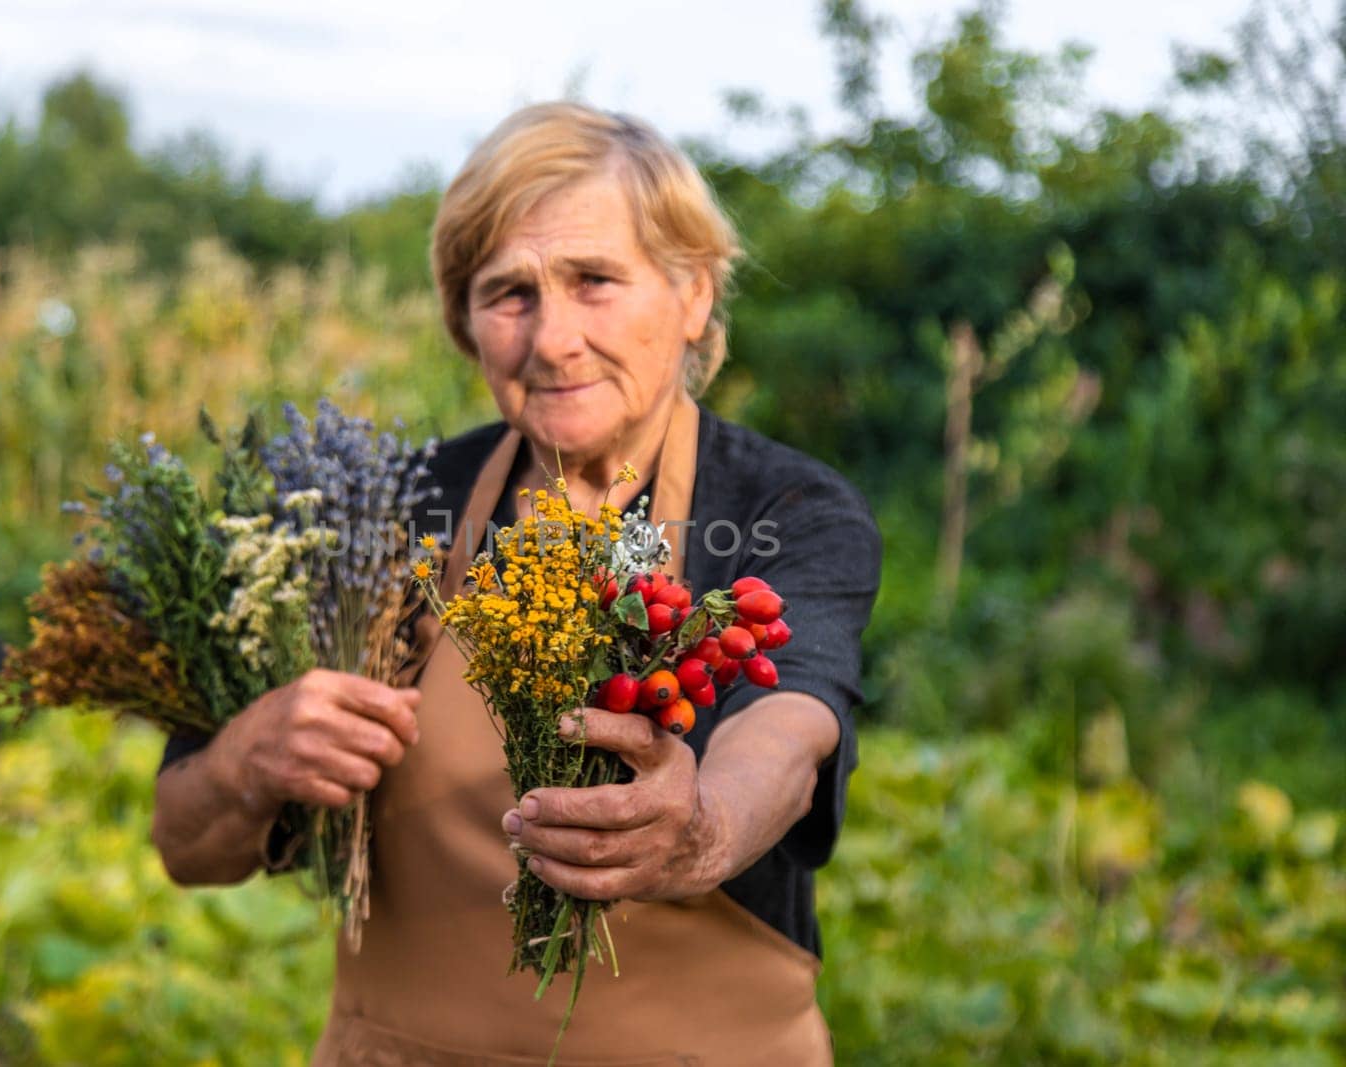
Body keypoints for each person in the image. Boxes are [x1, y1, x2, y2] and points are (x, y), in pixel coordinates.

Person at [151, 101, 881, 1065]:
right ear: (465, 324)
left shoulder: (782, 507)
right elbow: (188, 846)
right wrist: (245, 760)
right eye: (510, 294)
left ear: (694, 293)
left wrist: (698, 830)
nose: (553, 339)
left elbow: (788, 731)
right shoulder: (388, 514)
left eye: (595, 281)